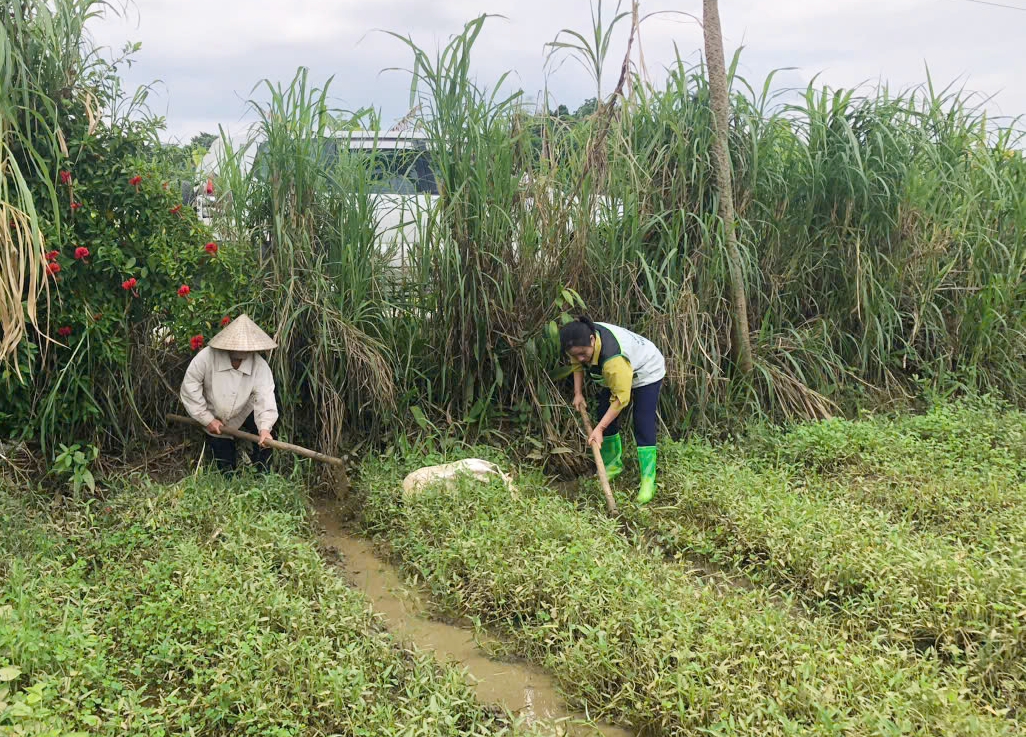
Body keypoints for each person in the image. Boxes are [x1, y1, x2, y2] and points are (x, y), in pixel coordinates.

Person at [559, 316, 666, 504]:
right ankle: (613, 465)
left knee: (643, 421)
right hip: (618, 373)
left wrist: (598, 429)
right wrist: (578, 393)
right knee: (603, 412)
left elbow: (621, 399)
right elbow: (576, 364)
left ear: (592, 340)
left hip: (646, 369)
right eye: (575, 355)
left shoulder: (612, 359)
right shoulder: (577, 341)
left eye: (583, 353)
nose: (581, 358)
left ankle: (648, 481)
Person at [179, 314, 279, 474]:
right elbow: (189, 388)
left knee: (265, 445)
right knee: (226, 468)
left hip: (244, 409)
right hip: (213, 414)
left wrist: (265, 429)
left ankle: (263, 475)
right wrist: (207, 419)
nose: (240, 351)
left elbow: (265, 397)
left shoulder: (260, 366)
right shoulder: (206, 357)